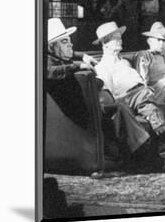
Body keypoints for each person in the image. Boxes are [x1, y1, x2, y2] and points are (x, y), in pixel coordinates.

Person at [47, 18, 155, 166]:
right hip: (82, 115)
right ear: (51, 47)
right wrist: (78, 65)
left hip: (93, 108)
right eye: (65, 41)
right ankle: (146, 157)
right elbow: (49, 71)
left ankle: (141, 154)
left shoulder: (58, 55)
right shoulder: (47, 63)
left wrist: (81, 56)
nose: (71, 44)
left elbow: (71, 53)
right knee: (121, 108)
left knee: (121, 108)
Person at [93, 21, 165, 147]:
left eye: (120, 37)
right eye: (116, 38)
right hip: (125, 98)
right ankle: (162, 127)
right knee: (144, 93)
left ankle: (162, 129)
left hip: (142, 94)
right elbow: (110, 95)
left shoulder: (124, 62)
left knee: (147, 93)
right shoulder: (103, 66)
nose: (120, 40)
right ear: (105, 44)